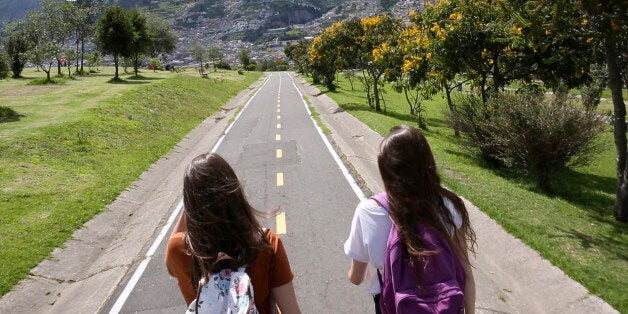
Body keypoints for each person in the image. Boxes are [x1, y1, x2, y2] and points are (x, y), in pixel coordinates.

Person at [344, 125, 477, 314]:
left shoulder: (368, 212)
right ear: (427, 163)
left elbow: (356, 278)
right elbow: (467, 275)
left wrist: (358, 271)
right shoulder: (448, 206)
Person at [165, 153, 301, 314]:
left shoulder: (179, 250)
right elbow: (291, 310)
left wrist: (192, 202)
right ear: (235, 193)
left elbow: (172, 247)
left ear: (190, 205)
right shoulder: (267, 244)